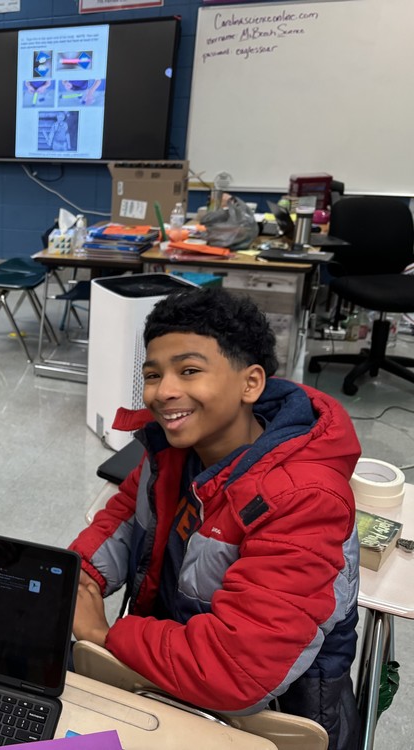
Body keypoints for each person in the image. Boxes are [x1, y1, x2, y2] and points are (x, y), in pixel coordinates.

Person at [70, 287, 360, 750]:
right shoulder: (174, 452)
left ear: (251, 384)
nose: (164, 391)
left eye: (189, 370)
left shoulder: (305, 497)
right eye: (152, 374)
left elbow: (238, 670)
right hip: (164, 674)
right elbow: (123, 517)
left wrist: (102, 634)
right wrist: (77, 576)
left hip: (268, 715)